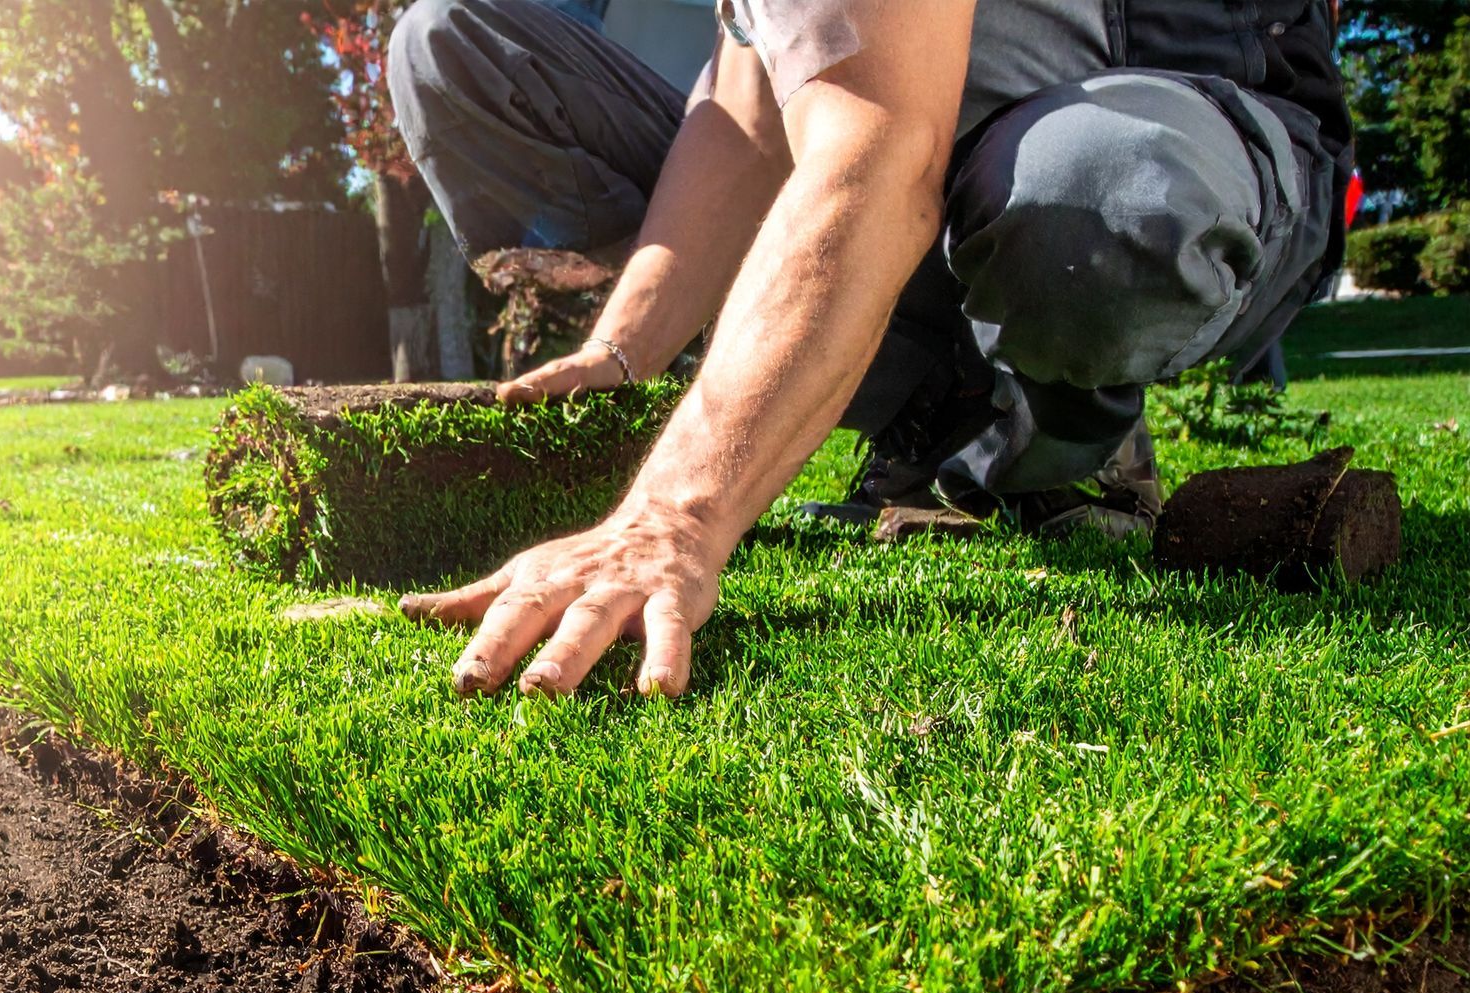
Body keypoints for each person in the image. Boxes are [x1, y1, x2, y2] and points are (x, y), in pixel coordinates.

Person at [384, 0, 1352, 699]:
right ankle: (942, 409)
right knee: (451, 45)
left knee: (1094, 206)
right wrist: (621, 349)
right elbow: (753, 113)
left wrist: (675, 515)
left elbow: (877, 154)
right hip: (961, 161)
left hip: (1201, 139)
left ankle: (1057, 440)